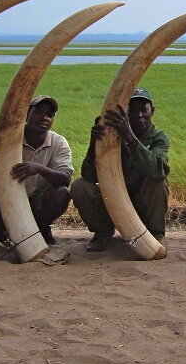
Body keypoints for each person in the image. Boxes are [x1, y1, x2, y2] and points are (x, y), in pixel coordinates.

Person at [0, 95, 72, 247]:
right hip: (7, 198)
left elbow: (65, 178)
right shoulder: (8, 139)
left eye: (49, 114)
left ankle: (41, 227)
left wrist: (38, 168)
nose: (44, 118)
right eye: (38, 112)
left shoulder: (58, 142)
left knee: (61, 194)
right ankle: (0, 228)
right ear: (26, 114)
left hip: (37, 200)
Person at [70, 88, 169, 252]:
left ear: (152, 111)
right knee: (80, 186)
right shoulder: (112, 134)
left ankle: (153, 235)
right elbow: (89, 175)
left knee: (158, 180)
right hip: (113, 200)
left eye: (143, 110)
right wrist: (95, 142)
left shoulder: (159, 137)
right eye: (133, 110)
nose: (139, 115)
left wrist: (130, 137)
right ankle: (102, 233)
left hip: (141, 202)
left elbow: (157, 170)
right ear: (125, 112)